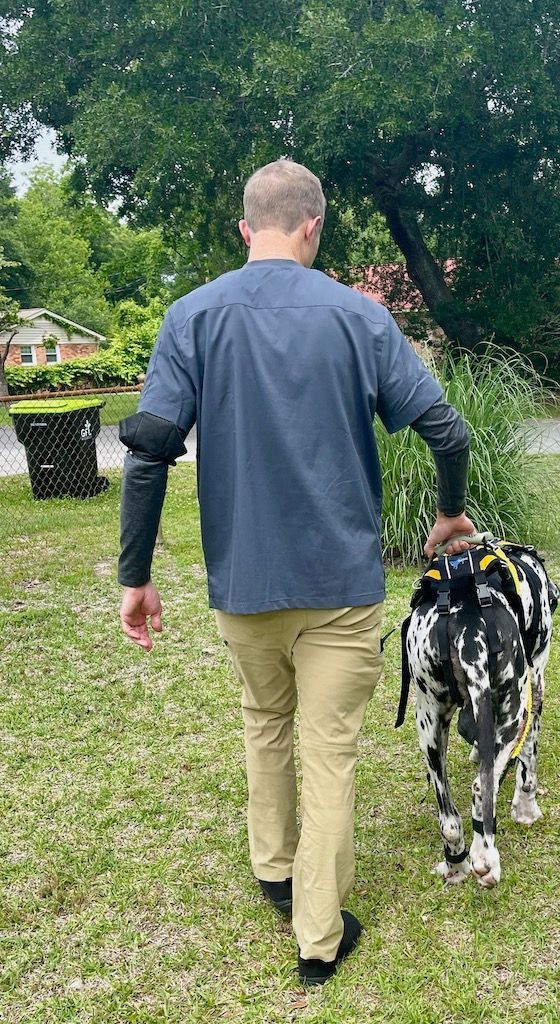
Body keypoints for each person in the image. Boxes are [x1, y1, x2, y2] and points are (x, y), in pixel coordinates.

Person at [118, 159, 475, 986]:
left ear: (247, 229)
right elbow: (447, 432)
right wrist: (449, 512)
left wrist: (135, 574)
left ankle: (275, 870)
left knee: (264, 720)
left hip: (243, 588)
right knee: (330, 750)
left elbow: (147, 455)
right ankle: (319, 936)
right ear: (312, 226)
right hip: (340, 588)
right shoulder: (362, 318)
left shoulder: (190, 317)